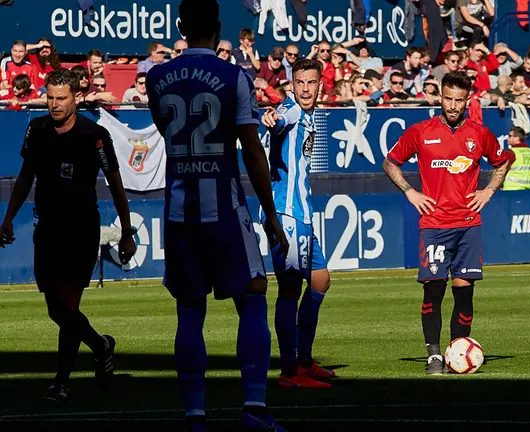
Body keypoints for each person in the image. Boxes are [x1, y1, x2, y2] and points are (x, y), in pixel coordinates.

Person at [145, 0, 289, 430]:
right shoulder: (234, 76)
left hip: (179, 211)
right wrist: (270, 213)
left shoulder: (156, 77)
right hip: (223, 208)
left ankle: (194, 415)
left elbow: (166, 131)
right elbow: (251, 148)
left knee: (190, 310)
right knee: (253, 294)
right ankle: (254, 410)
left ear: (181, 27)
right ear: (219, 28)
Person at [0, 68, 137, 402]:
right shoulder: (36, 128)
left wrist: (126, 231)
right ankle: (101, 345)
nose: (54, 104)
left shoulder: (95, 135)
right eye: (50, 97)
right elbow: (24, 177)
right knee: (55, 309)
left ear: (77, 98)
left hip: (81, 229)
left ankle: (61, 383)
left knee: (68, 304)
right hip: (47, 227)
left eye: (61, 98)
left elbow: (116, 184)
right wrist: (8, 218)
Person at [382, 71, 509, 375]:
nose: (453, 105)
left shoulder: (479, 134)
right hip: (434, 225)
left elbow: (503, 161)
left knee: (464, 290)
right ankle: (434, 355)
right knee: (433, 291)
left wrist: (488, 190)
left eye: (459, 100)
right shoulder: (421, 131)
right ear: (440, 97)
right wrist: (410, 192)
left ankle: (457, 350)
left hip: (468, 224)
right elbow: (390, 162)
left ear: (468, 100)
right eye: (448, 98)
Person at [260, 58, 336, 389]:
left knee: (320, 281)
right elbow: (277, 123)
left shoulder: (307, 116)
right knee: (290, 291)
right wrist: (271, 119)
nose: (305, 88)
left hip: (300, 215)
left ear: (320, 86)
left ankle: (303, 360)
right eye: (299, 82)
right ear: (291, 84)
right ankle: (290, 372)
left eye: (311, 82)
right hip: (286, 216)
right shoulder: (289, 112)